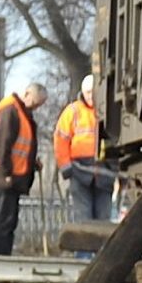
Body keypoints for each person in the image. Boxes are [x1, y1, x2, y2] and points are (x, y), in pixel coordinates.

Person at [0, 81, 48, 257]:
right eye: (35, 103)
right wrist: (7, 173)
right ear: (27, 94)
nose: (36, 108)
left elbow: (20, 147)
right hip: (3, 178)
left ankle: (3, 258)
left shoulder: (22, 112)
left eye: (39, 105)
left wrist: (32, 163)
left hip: (11, 178)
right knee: (3, 222)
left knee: (9, 222)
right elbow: (1, 145)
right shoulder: (11, 110)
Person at [55, 75, 115, 233]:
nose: (90, 96)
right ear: (82, 92)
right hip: (79, 172)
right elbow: (61, 139)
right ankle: (83, 256)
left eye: (93, 92)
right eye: (88, 92)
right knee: (83, 218)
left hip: (104, 172)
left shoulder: (109, 110)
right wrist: (65, 166)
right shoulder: (73, 111)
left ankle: (101, 255)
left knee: (103, 220)